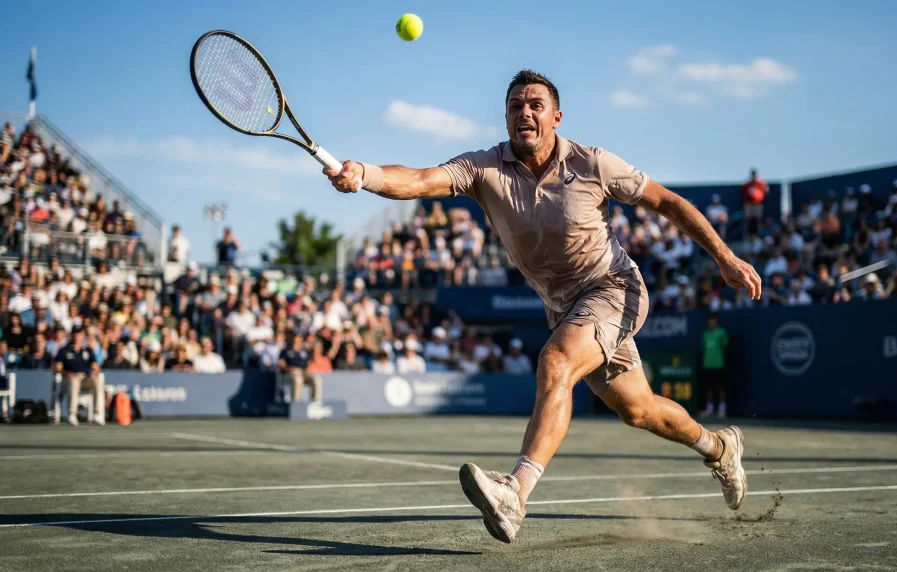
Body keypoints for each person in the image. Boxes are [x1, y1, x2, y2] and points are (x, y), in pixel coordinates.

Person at [324, 69, 761, 544]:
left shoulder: (593, 163)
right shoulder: (483, 168)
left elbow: (669, 203)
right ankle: (719, 447)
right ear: (506, 118)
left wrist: (724, 256)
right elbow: (419, 179)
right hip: (565, 306)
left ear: (556, 116)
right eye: (515, 106)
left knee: (556, 361)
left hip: (615, 287)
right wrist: (365, 174)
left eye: (535, 104)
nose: (524, 112)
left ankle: (516, 491)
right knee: (638, 411)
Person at [53, 326, 104, 426]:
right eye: (75, 334)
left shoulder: (88, 350)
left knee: (96, 381)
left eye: (80, 334)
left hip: (85, 378)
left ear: (83, 336)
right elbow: (58, 367)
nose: (77, 337)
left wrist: (94, 373)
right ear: (71, 335)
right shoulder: (64, 350)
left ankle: (97, 414)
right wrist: (66, 373)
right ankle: (72, 414)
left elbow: (96, 366)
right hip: (68, 379)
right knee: (74, 380)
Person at [699, 313, 730, 419]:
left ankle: (722, 409)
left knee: (720, 387)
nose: (711, 323)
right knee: (709, 388)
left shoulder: (721, 333)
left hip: (719, 364)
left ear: (716, 322)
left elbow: (725, 348)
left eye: (713, 321)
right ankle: (710, 409)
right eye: (710, 321)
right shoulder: (705, 334)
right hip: (707, 365)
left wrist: (723, 361)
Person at [279, 333, 322, 403]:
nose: (297, 341)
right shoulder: (286, 351)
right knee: (298, 379)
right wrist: (290, 369)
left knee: (316, 379)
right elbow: (281, 364)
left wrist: (305, 370)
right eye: (295, 339)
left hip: (303, 372)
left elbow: (309, 364)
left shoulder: (305, 351)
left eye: (299, 339)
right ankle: (296, 402)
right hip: (289, 374)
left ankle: (315, 402)